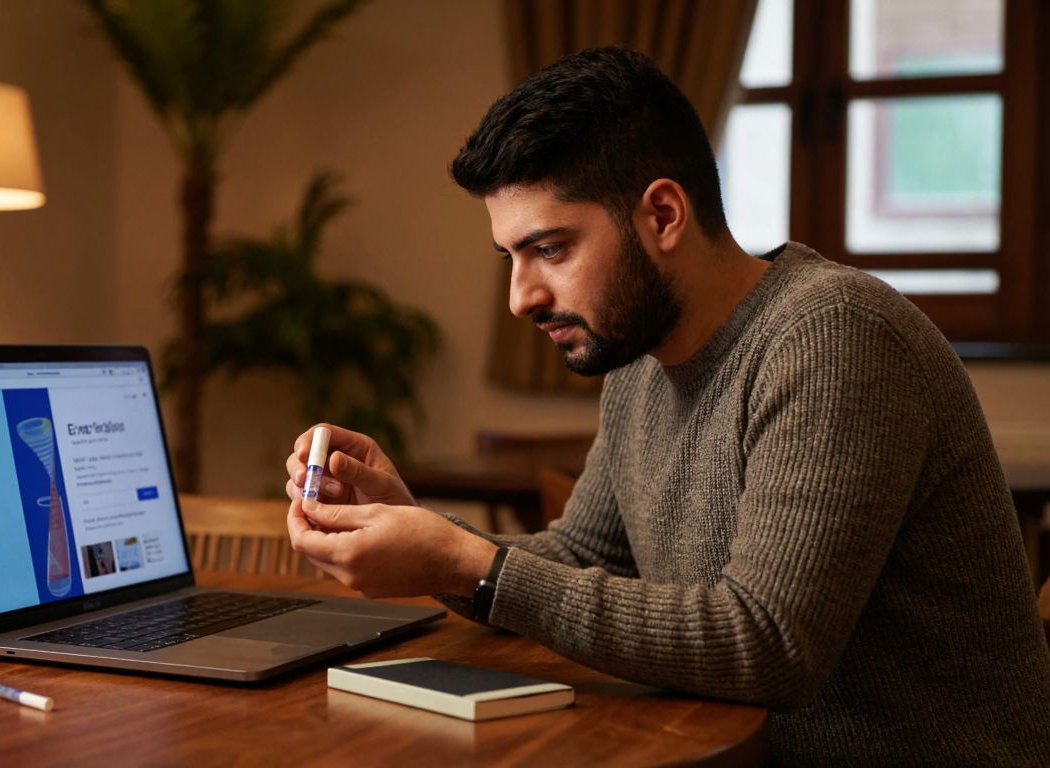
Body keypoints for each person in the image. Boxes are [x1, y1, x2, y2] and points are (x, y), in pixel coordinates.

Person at [282, 47, 1050, 764]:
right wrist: (423, 533)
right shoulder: (640, 359)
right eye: (511, 257)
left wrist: (463, 562)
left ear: (663, 215)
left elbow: (770, 645)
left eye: (549, 249)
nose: (521, 297)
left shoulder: (834, 337)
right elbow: (583, 560)